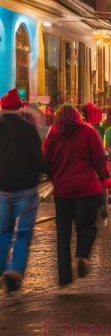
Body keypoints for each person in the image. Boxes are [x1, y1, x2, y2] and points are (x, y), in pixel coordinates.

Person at [43, 105, 110, 286]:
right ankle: (82, 256)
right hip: (87, 189)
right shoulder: (88, 132)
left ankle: (64, 276)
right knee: (87, 226)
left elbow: (46, 161)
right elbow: (98, 159)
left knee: (63, 235)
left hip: (63, 192)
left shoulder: (52, 135)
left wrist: (55, 178)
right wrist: (105, 180)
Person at [0, 89, 47, 293]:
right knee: (23, 232)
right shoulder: (28, 129)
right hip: (26, 188)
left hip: (2, 189)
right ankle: (15, 271)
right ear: (20, 108)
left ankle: (1, 267)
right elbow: (39, 158)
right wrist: (49, 172)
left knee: (2, 231)